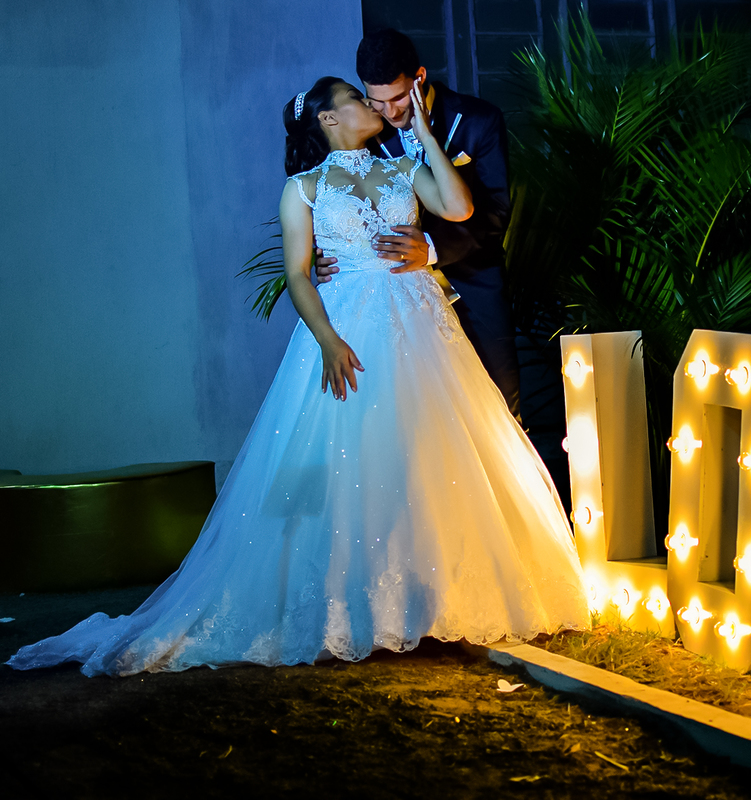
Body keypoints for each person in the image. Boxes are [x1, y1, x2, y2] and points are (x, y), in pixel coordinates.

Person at [6, 77, 589, 677]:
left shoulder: (400, 168)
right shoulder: (303, 188)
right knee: (353, 459)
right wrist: (329, 340)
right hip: (349, 330)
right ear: (330, 121)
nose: (370, 106)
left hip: (418, 321)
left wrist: (422, 135)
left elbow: (459, 208)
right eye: (357, 101)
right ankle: (359, 606)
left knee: (427, 453)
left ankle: (431, 599)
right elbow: (299, 275)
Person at [315, 29, 522, 421]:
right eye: (376, 101)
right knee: (416, 421)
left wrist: (431, 247)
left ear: (419, 77)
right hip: (399, 305)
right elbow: (338, 198)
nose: (389, 113)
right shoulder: (369, 133)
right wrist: (326, 255)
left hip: (474, 284)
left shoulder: (479, 121)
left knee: (498, 414)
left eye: (397, 98)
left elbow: (496, 213)